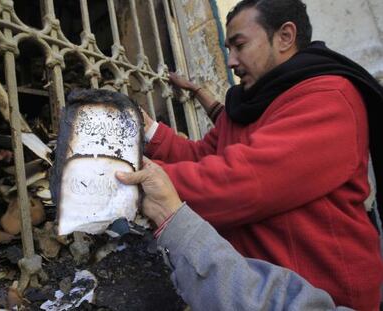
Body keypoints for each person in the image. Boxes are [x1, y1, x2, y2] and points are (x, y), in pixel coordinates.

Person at [141, 0, 383, 310]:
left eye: (239, 45)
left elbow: (242, 181)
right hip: (248, 289)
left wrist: (135, 176)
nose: (231, 61)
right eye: (227, 49)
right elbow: (202, 155)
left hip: (320, 295)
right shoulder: (247, 102)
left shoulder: (329, 98)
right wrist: (150, 132)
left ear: (285, 37)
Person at [116, 159, 353, 310]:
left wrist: (166, 192)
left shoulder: (328, 95)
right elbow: (209, 150)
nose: (237, 75)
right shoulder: (253, 101)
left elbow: (246, 182)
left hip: (325, 277)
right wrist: (157, 133)